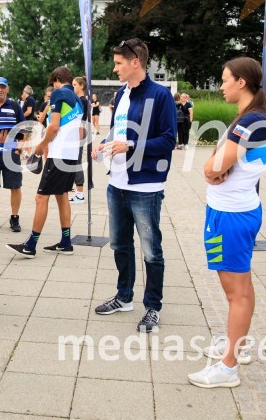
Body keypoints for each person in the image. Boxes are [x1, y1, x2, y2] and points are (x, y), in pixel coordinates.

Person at [188, 57, 266, 389]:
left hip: (231, 216)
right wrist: (216, 166)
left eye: (224, 80)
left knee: (236, 293)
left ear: (241, 82)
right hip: (236, 211)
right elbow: (219, 167)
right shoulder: (254, 117)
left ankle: (228, 368)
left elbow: (211, 168)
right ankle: (236, 346)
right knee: (243, 288)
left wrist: (212, 166)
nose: (220, 86)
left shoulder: (249, 122)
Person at [92, 39, 176, 333]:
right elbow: (119, 129)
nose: (114, 68)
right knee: (120, 244)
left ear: (135, 62)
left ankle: (153, 307)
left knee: (151, 250)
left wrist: (129, 144)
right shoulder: (121, 93)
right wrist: (104, 142)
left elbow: (168, 140)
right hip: (116, 183)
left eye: (118, 63)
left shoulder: (161, 95)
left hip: (146, 186)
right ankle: (124, 297)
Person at [7, 66, 83, 257]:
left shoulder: (58, 94)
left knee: (41, 197)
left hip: (59, 154)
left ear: (56, 79)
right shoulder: (77, 99)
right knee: (62, 195)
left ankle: (30, 245)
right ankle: (66, 242)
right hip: (72, 154)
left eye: (53, 82)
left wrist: (41, 146)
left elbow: (54, 126)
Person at [0, 77, 26, 233]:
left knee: (15, 186)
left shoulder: (15, 106)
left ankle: (14, 217)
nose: (0, 90)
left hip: (11, 152)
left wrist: (19, 149)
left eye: (3, 87)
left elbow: (22, 129)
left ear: (7, 89)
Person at [69, 76, 91, 204]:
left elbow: (81, 122)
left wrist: (78, 138)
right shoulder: (79, 100)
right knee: (73, 162)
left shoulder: (82, 101)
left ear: (82, 86)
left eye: (75, 85)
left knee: (76, 163)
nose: (73, 87)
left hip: (79, 132)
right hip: (76, 132)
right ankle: (77, 192)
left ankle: (80, 194)